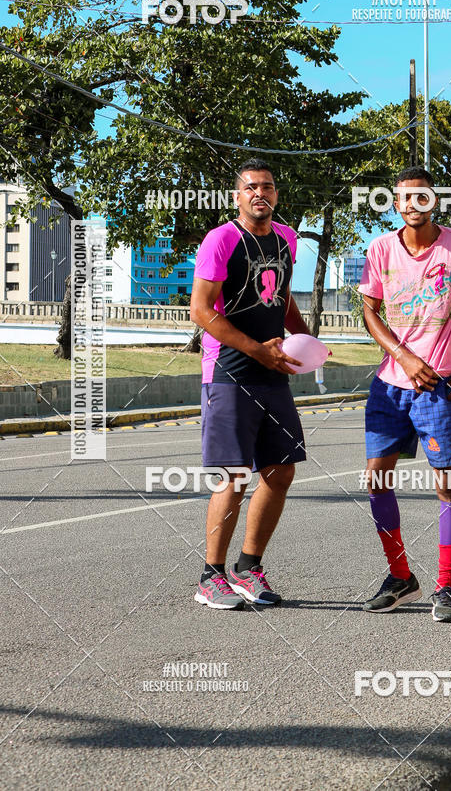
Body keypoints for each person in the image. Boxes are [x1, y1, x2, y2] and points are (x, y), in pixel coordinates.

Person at [358, 166, 451, 622]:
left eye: (422, 197)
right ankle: (400, 577)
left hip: (441, 388)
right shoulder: (379, 249)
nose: (412, 205)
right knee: (376, 479)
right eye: (404, 198)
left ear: (435, 201)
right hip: (390, 385)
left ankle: (446, 588)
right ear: (395, 203)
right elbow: (370, 311)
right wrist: (404, 356)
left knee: (446, 485)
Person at [190, 158, 310, 610]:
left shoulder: (287, 239)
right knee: (233, 476)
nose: (261, 193)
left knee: (281, 472)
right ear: (237, 196)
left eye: (268, 187)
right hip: (229, 373)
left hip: (272, 372)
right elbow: (201, 311)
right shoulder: (220, 239)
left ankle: (248, 567)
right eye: (251, 187)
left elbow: (281, 297)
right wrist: (256, 348)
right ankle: (210, 576)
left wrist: (304, 342)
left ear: (276, 195)